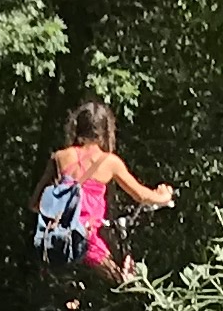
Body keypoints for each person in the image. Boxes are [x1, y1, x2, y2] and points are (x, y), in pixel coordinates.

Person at [39, 101, 175, 289]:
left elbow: (35, 203)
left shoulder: (59, 157)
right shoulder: (110, 162)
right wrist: (163, 196)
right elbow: (141, 195)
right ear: (106, 130)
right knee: (125, 287)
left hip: (55, 240)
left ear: (76, 126)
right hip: (87, 242)